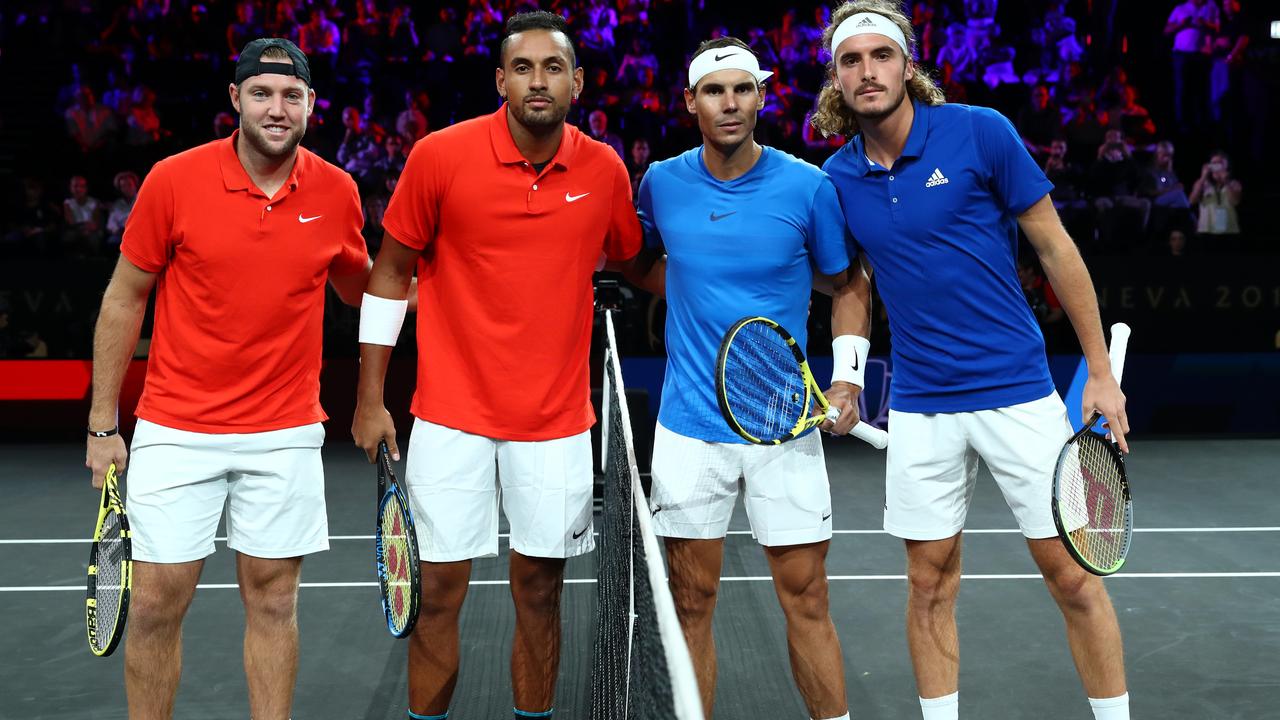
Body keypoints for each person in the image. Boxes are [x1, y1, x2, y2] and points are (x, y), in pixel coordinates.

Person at [811, 3, 1131, 719]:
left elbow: (1055, 248)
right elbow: (854, 287)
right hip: (923, 406)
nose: (868, 71)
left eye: (881, 55)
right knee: (928, 584)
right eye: (851, 60)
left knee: (1073, 577)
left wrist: (1099, 374)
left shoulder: (980, 131)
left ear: (907, 65)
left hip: (1018, 393)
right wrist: (849, 378)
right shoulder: (836, 177)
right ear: (836, 78)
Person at [349, 12, 640, 720]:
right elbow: (390, 273)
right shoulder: (440, 156)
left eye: (551, 68)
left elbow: (633, 258)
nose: (536, 81)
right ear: (500, 79)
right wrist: (370, 397)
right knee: (438, 593)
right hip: (451, 416)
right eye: (522, 67)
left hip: (556, 422)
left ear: (576, 81)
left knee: (539, 593)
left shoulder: (603, 169)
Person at [84, 38, 372, 720]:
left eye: (292, 95)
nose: (278, 108)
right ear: (236, 99)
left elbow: (366, 288)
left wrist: (472, 277)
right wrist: (104, 424)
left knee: (274, 600)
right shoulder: (173, 180)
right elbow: (125, 297)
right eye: (264, 94)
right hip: (178, 426)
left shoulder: (336, 191)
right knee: (155, 603)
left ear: (310, 106)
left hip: (286, 431)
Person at [629, 36, 867, 720]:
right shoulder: (662, 184)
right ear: (690, 103)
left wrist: (847, 381)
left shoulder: (807, 186)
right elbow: (641, 261)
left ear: (762, 98)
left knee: (807, 596)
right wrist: (695, 291)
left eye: (742, 89)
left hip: (783, 427)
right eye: (714, 91)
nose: (729, 103)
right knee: (690, 600)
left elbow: (849, 284)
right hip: (689, 429)